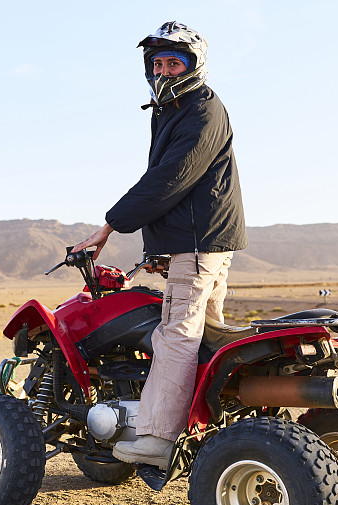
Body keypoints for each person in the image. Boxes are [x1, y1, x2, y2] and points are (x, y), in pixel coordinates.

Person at [71, 21, 246, 469]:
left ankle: (155, 436)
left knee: (176, 335)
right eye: (159, 63)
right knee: (206, 337)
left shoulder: (201, 108)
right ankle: (209, 428)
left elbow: (170, 178)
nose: (165, 70)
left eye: (174, 62)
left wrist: (111, 225)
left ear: (194, 66)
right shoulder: (173, 109)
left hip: (198, 242)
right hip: (196, 240)